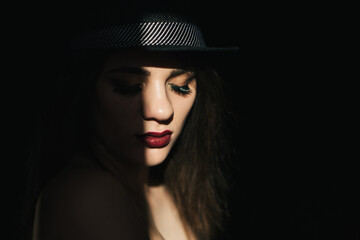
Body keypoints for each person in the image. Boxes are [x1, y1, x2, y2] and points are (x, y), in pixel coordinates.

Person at [20, 6, 239, 240]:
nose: (162, 110)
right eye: (128, 87)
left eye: (181, 86)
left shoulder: (176, 189)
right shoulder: (86, 195)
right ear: (83, 91)